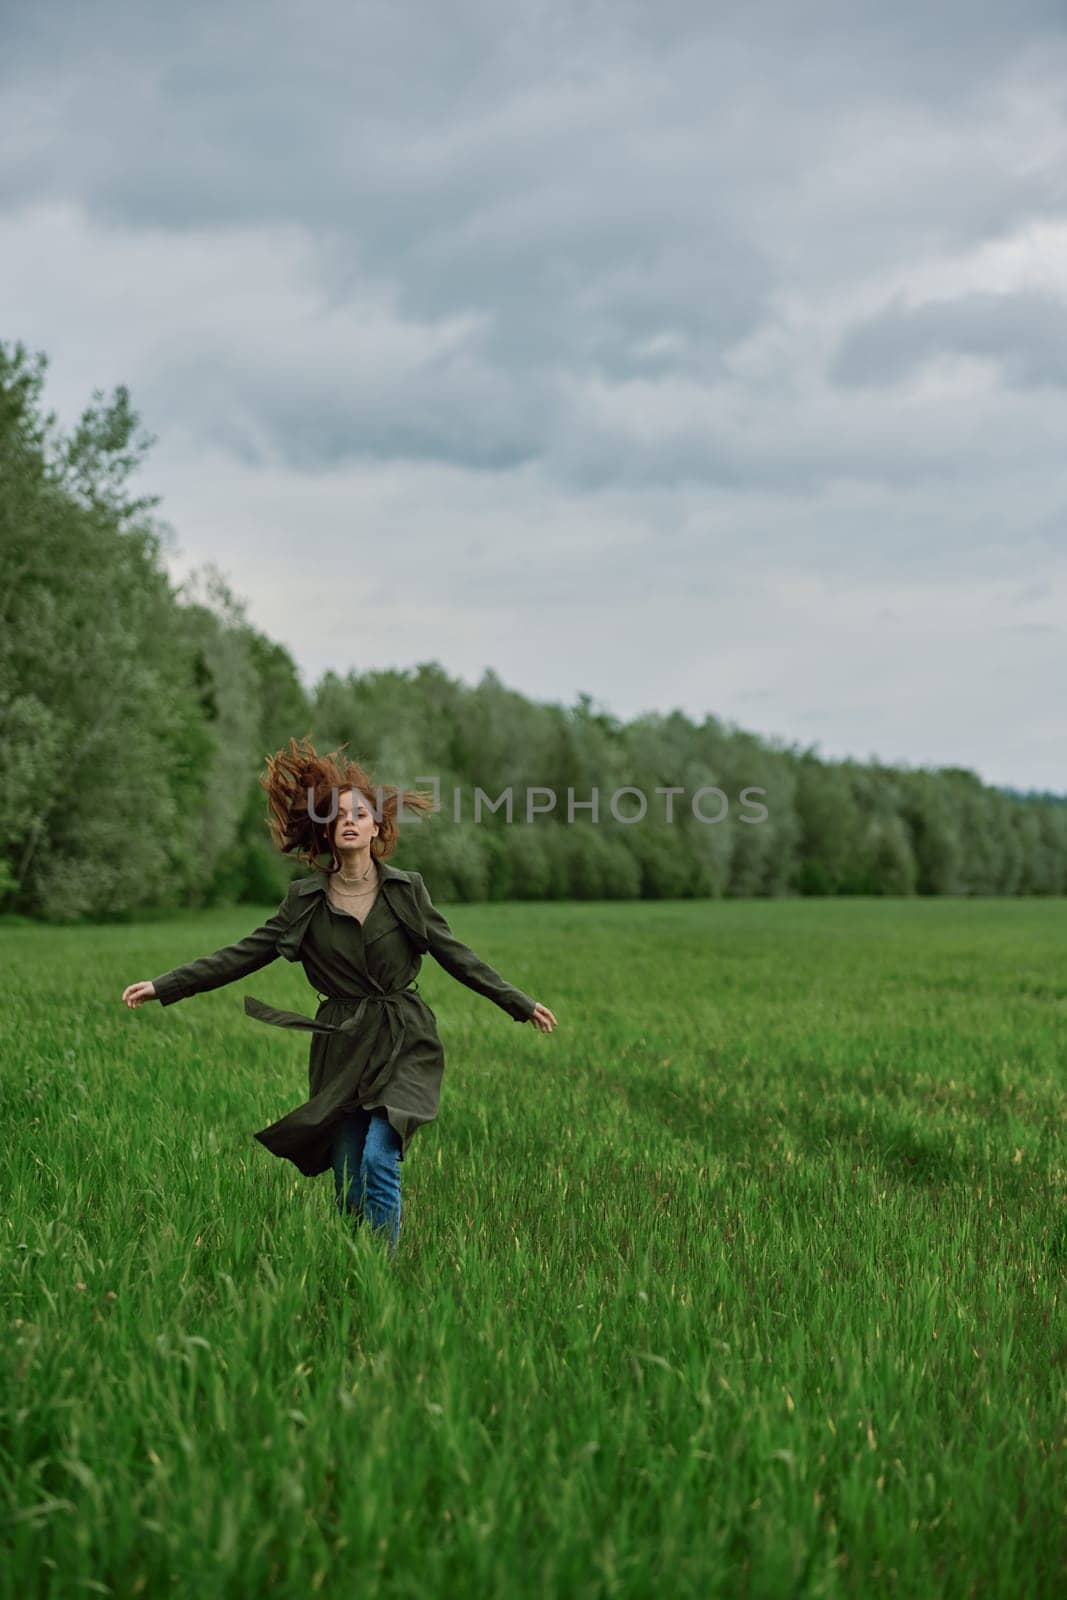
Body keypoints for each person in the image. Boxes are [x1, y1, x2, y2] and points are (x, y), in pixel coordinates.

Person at [122, 736, 557, 1256]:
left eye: (361, 813)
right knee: (349, 1182)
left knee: (379, 1157)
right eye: (339, 815)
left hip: (402, 1037)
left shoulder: (405, 891)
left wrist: (518, 1001)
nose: (350, 820)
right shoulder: (303, 902)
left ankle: (387, 1270)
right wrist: (165, 984)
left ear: (377, 828)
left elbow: (454, 953)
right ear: (329, 831)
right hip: (342, 1045)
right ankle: (358, 1264)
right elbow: (242, 954)